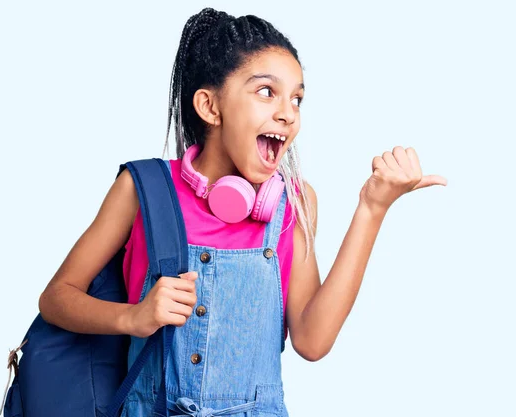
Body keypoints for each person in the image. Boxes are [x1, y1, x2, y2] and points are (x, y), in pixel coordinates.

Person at [38, 7, 447, 417]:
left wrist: (372, 209)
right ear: (210, 107)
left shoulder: (294, 202)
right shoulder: (142, 190)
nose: (288, 112)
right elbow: (57, 298)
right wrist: (133, 317)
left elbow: (313, 340)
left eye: (297, 98)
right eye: (267, 91)